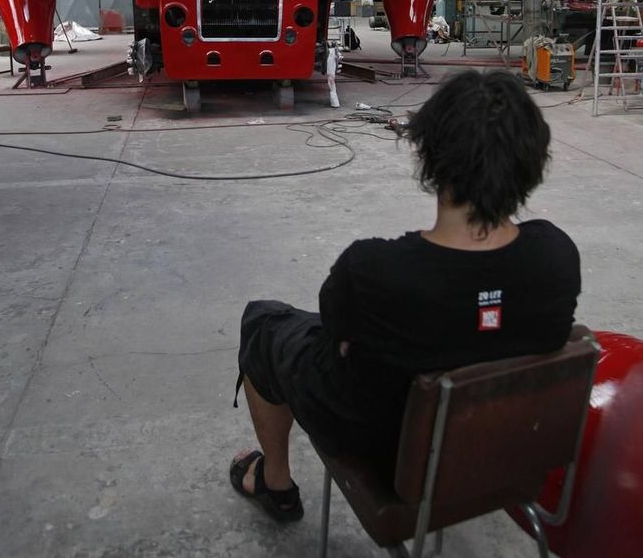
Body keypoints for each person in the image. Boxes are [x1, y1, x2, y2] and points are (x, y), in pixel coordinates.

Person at [229, 69, 581, 522]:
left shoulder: (374, 270)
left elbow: (334, 336)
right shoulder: (556, 256)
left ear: (430, 157)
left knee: (265, 323)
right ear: (532, 162)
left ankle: (275, 482)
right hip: (498, 453)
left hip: (389, 455)